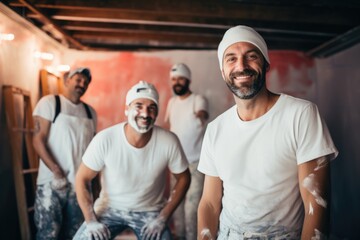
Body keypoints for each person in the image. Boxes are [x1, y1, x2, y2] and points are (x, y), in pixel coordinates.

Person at [197, 25, 339, 240]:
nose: (241, 66)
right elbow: (209, 202)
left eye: (251, 56)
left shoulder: (300, 114)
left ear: (266, 63)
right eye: (231, 59)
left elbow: (316, 203)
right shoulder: (216, 129)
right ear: (223, 71)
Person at [73, 80, 191, 240]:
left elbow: (184, 178)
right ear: (127, 109)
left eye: (151, 108)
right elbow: (82, 178)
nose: (145, 113)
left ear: (157, 113)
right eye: (139, 106)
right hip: (109, 208)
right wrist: (91, 220)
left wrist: (163, 217)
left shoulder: (168, 140)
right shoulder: (105, 139)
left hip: (150, 211)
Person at [32, 67, 97, 239]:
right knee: (48, 234)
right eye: (78, 79)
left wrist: (94, 185)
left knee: (76, 234)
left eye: (85, 81)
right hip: (52, 184)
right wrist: (56, 170)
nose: (82, 84)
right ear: (66, 80)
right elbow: (38, 140)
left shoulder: (91, 113)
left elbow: (94, 151)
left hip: (80, 185)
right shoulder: (50, 103)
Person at [164, 63, 209, 240]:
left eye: (180, 78)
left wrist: (200, 116)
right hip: (176, 164)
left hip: (195, 164)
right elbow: (170, 127)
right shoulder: (171, 102)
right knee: (176, 209)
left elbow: (203, 114)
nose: (177, 82)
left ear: (188, 80)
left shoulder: (198, 99)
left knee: (192, 211)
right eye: (174, 79)